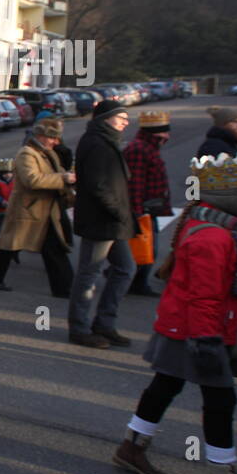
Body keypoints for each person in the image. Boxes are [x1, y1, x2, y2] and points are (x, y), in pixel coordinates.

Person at [109, 151, 237, 474]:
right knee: (220, 401)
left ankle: (132, 447)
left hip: (185, 327)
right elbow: (204, 296)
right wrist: (207, 340)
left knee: (165, 386)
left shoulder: (216, 228)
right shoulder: (214, 237)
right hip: (196, 331)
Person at [68, 100, 135, 349]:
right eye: (122, 118)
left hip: (112, 221)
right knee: (89, 273)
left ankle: (105, 323)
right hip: (101, 220)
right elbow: (98, 185)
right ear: (106, 118)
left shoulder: (107, 140)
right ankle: (80, 327)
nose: (126, 123)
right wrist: (118, 211)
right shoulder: (96, 142)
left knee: (125, 269)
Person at [0, 118, 76, 296]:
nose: (56, 142)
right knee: (10, 245)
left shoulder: (48, 153)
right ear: (41, 136)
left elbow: (54, 173)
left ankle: (64, 287)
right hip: (28, 209)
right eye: (52, 138)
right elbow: (32, 180)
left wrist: (66, 177)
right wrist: (63, 179)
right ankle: (64, 288)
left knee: (48, 248)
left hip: (44, 209)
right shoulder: (27, 154)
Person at [125, 111, 172, 297]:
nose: (168, 136)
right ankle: (134, 282)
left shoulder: (148, 147)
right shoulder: (139, 149)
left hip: (148, 207)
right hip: (143, 208)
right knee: (145, 248)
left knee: (147, 248)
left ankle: (137, 282)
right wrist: (137, 211)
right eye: (164, 132)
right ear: (155, 132)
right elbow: (134, 182)